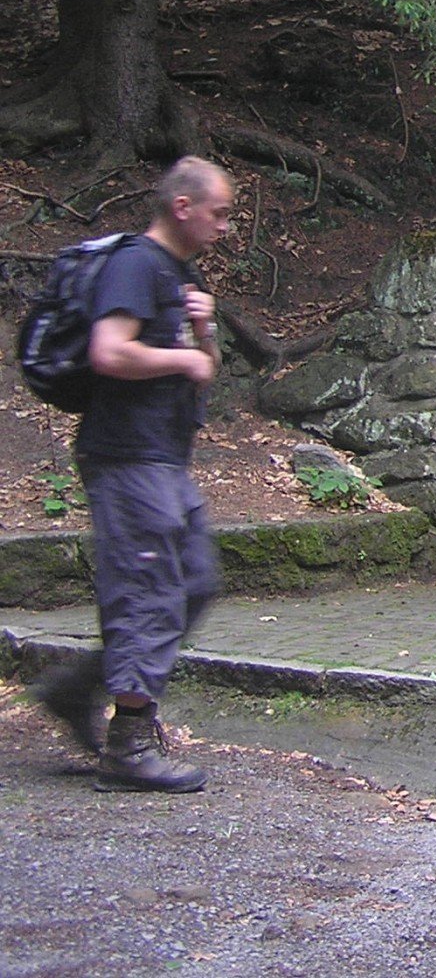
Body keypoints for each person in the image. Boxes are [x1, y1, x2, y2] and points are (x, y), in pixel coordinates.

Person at [31, 156, 233, 792]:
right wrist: (183, 358)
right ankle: (129, 746)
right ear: (182, 207)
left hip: (165, 457)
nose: (226, 226)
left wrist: (202, 331)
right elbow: (110, 351)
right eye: (220, 213)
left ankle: (75, 689)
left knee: (196, 581)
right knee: (147, 591)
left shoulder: (178, 273)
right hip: (126, 456)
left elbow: (204, 363)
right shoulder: (136, 265)